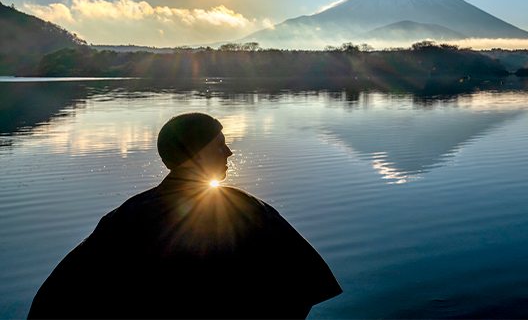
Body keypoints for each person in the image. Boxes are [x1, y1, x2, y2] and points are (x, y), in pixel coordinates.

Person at [28, 112, 342, 319]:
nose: (229, 152)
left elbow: (53, 301)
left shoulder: (124, 217)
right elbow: (308, 283)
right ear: (194, 154)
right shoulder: (243, 209)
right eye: (220, 145)